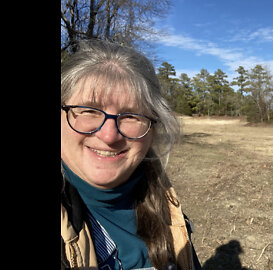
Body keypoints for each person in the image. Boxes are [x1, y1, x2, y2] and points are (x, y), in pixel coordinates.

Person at [60, 39, 202, 270]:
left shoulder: (165, 203)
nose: (109, 135)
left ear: (152, 128)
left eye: (131, 116)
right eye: (88, 110)